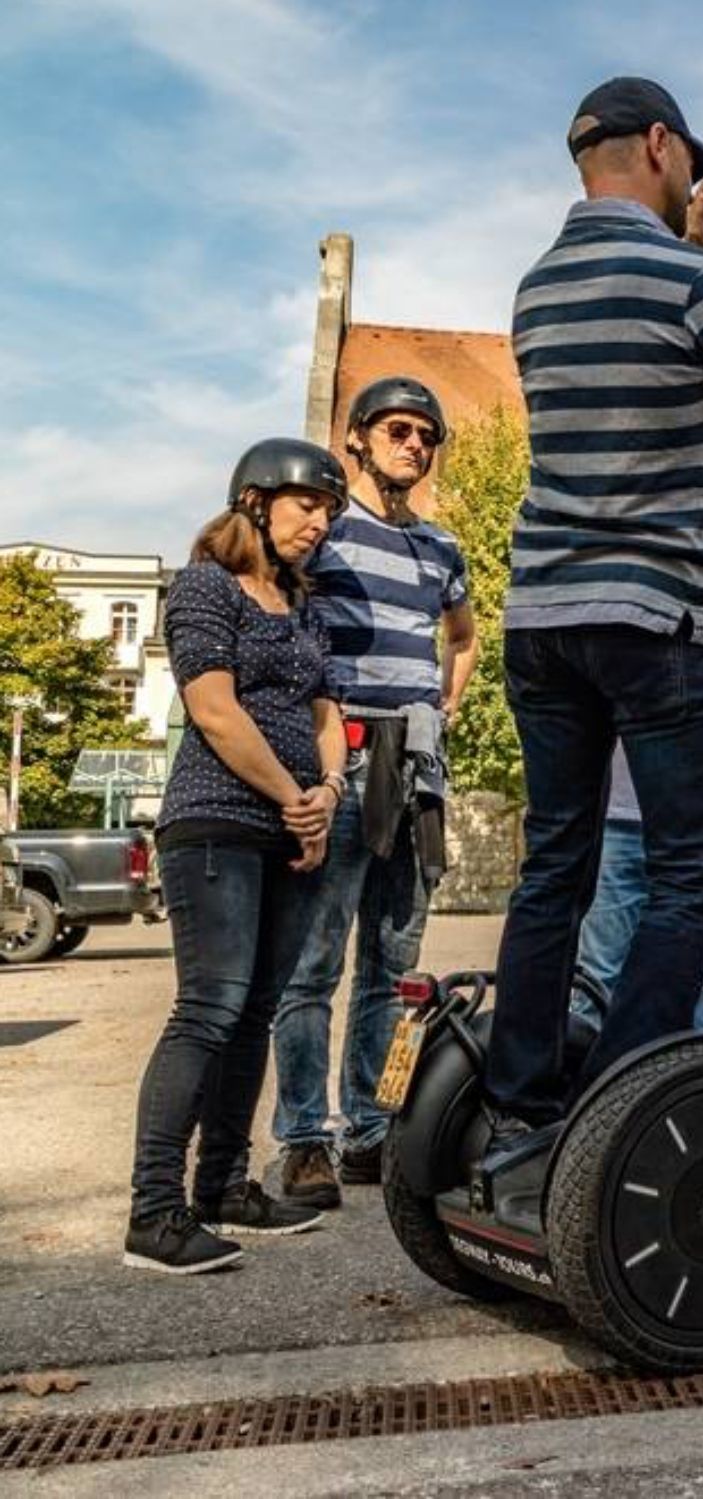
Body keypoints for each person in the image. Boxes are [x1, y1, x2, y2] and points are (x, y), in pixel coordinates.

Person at [484, 76, 703, 1157]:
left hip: (540, 613)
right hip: (654, 616)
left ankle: (519, 1095)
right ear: (661, 144)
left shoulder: (532, 291)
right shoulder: (702, 281)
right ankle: (620, 1104)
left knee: (555, 862)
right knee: (683, 876)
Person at [125, 439, 350, 1273]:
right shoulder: (204, 588)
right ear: (254, 501)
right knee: (209, 1007)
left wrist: (326, 791)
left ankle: (222, 1185)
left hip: (292, 831)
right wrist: (291, 796)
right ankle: (154, 1211)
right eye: (307, 505)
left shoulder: (305, 605)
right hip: (215, 822)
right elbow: (214, 711)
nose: (319, 522)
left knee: (257, 1008)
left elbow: (329, 712)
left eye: (329, 511)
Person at [270, 376, 477, 1210]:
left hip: (415, 769)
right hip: (341, 761)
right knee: (312, 963)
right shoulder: (325, 531)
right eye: (397, 428)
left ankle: (369, 1126)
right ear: (356, 437)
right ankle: (303, 1139)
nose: (414, 444)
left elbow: (461, 635)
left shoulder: (442, 549)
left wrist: (445, 703)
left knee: (395, 971)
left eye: (427, 435)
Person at [570, 575, 703, 1034]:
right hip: (620, 814)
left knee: (699, 969)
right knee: (598, 973)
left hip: (698, 822)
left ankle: (681, 1091)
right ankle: (591, 1092)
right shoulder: (616, 582)